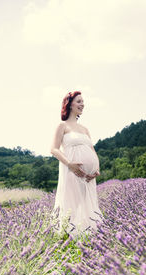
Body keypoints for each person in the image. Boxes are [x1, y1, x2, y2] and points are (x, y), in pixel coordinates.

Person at [50, 91, 103, 238]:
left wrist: (96, 169)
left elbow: (92, 150)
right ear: (69, 104)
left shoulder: (85, 129)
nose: (82, 104)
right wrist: (70, 164)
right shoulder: (63, 126)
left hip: (89, 177)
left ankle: (89, 236)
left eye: (83, 102)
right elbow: (53, 149)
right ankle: (69, 238)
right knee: (72, 204)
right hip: (72, 172)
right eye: (79, 101)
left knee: (87, 204)